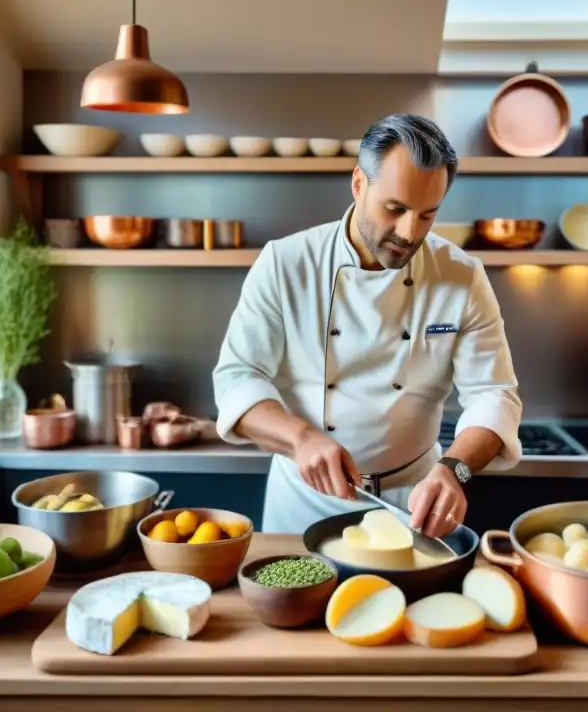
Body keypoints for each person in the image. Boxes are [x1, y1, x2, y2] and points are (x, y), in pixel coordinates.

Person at [212, 113, 522, 536]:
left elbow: (493, 393)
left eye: (427, 214)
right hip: (307, 501)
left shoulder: (461, 275)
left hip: (416, 502)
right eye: (395, 209)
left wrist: (454, 470)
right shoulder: (287, 263)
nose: (409, 232)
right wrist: (301, 438)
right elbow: (237, 378)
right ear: (359, 183)